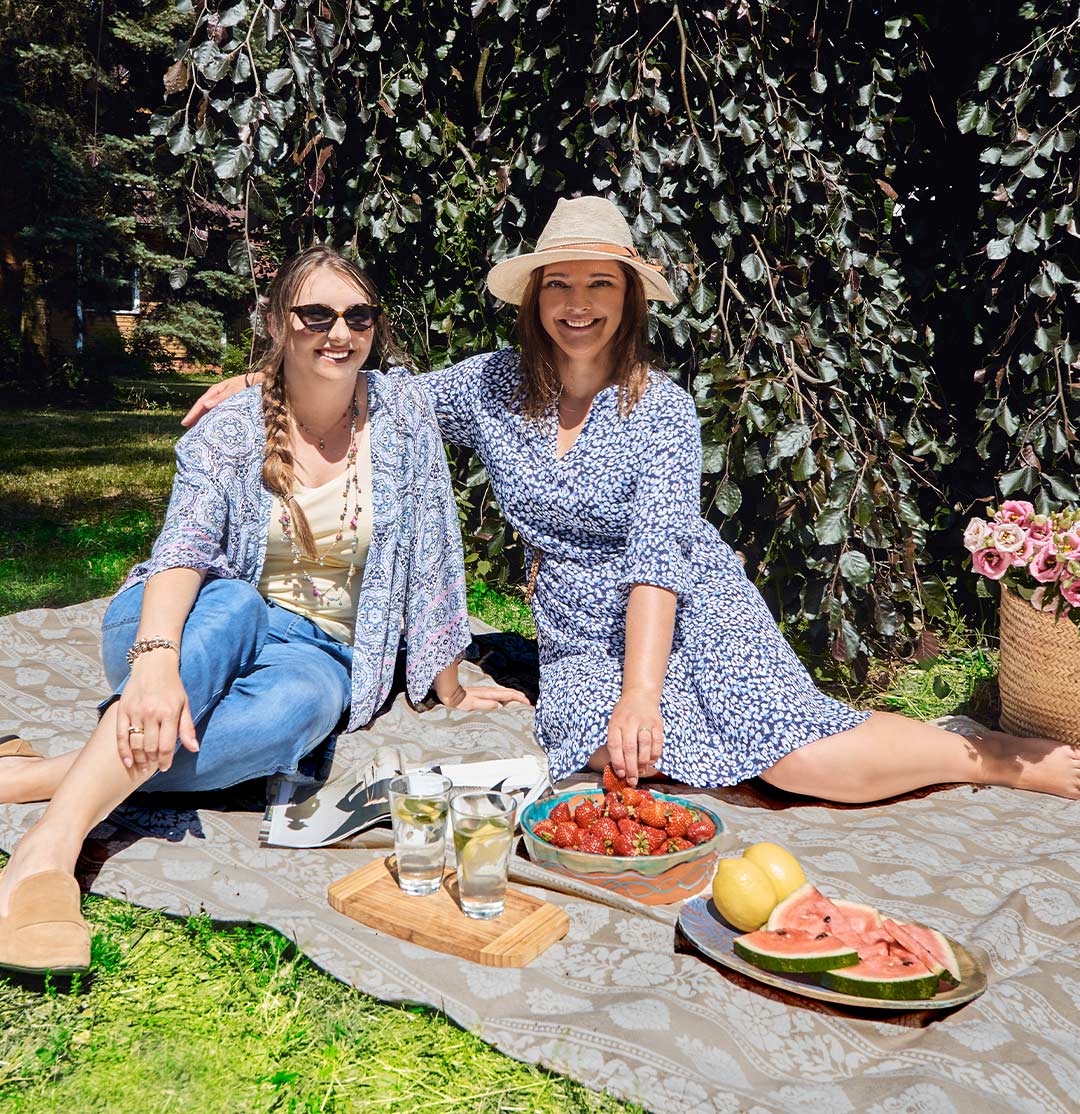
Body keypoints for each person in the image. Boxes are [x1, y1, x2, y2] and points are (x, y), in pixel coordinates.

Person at [183, 198, 1080, 806]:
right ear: (536, 299)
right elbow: (374, 389)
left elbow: (658, 557)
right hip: (577, 631)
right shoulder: (492, 387)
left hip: (687, 608)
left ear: (628, 299)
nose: (578, 306)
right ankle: (731, 729)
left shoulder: (664, 407)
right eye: (561, 286)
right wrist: (257, 378)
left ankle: (991, 757)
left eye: (599, 284)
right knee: (619, 768)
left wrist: (641, 694)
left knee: (798, 761)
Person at [0, 245, 526, 976]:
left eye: (357, 315)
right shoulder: (230, 428)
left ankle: (38, 775)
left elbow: (436, 547)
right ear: (278, 321)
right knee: (237, 608)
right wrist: (154, 667)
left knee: (305, 708)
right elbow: (183, 546)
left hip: (315, 649)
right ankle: (46, 855)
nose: (338, 333)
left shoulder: (404, 411)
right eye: (315, 314)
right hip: (182, 618)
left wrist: (448, 675)